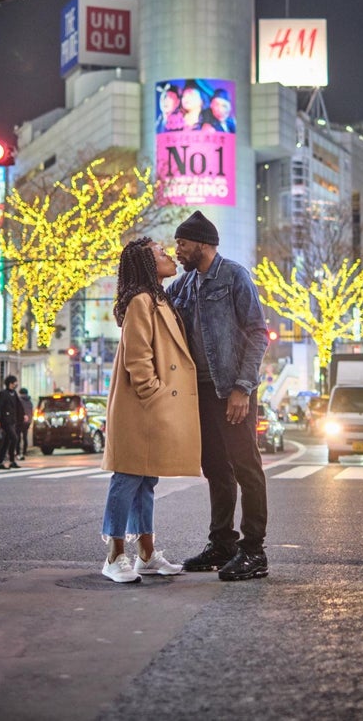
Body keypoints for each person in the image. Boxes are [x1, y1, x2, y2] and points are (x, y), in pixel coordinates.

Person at [167, 210, 270, 581]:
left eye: (182, 243)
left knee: (246, 467)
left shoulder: (234, 276)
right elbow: (154, 308)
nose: (177, 250)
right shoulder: (184, 284)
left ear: (202, 244)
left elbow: (258, 332)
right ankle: (222, 544)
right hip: (201, 392)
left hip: (233, 390)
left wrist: (243, 387)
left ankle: (254, 551)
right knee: (215, 469)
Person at [100, 237, 201, 584]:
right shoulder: (142, 302)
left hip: (149, 407)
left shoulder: (160, 299)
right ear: (146, 264)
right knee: (127, 477)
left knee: (145, 479)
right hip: (140, 406)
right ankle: (114, 555)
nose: (169, 255)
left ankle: (146, 553)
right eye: (160, 253)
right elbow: (138, 357)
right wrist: (155, 394)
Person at [0, 375, 24, 470]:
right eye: (14, 383)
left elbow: (19, 406)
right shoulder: (3, 393)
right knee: (14, 438)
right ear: (10, 383)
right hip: (5, 420)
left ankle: (1, 461)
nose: (16, 384)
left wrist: (23, 415)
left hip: (12, 420)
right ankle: (10, 459)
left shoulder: (14, 393)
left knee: (6, 441)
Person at [17, 387, 33, 460]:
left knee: (18, 437)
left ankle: (18, 452)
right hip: (28, 421)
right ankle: (24, 451)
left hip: (20, 420)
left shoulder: (19, 400)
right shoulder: (30, 401)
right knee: (25, 436)